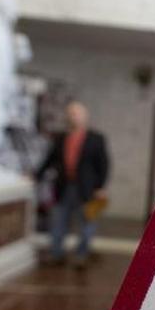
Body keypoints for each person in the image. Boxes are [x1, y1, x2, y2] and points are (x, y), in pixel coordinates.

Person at [38, 100, 109, 267]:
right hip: (63, 187)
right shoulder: (60, 138)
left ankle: (81, 254)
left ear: (85, 116)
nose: (73, 116)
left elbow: (104, 164)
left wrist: (101, 187)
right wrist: (35, 176)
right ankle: (56, 254)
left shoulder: (96, 139)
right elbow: (49, 160)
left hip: (86, 189)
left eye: (77, 113)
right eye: (70, 113)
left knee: (87, 223)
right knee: (57, 221)